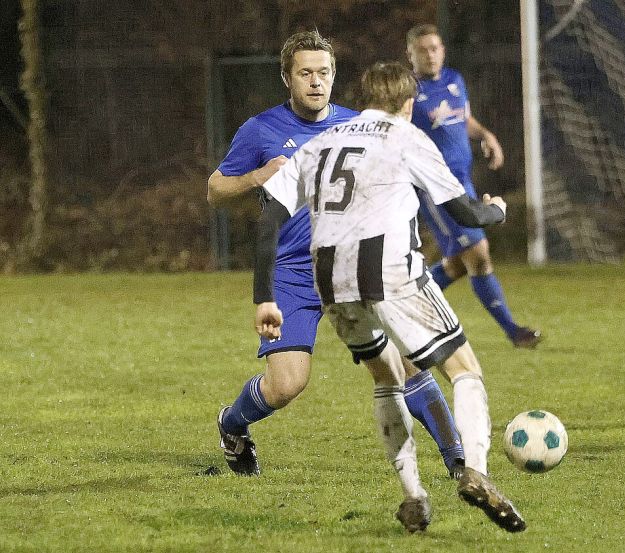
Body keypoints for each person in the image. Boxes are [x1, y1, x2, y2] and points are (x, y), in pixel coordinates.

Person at [255, 61, 527, 534]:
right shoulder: (405, 136)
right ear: (407, 103)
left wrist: (264, 296)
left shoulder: (320, 143)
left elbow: (267, 217)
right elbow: (464, 212)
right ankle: (476, 472)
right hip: (388, 269)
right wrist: (497, 212)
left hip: (330, 278)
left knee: (387, 376)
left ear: (364, 97)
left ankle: (414, 496)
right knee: (463, 369)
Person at [207, 30, 464, 479]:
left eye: (323, 72)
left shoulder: (355, 125)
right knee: (287, 384)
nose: (316, 82)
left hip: (352, 264)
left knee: (405, 362)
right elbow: (215, 190)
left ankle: (460, 463)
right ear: (287, 78)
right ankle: (232, 424)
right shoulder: (260, 129)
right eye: (305, 73)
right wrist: (257, 176)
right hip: (292, 272)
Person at [405, 24, 541, 348]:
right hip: (434, 189)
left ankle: (405, 304)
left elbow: (462, 119)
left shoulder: (454, 79)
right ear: (410, 55)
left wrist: (486, 135)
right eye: (422, 50)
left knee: (457, 264)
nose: (430, 55)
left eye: (435, 48)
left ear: (442, 50)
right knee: (478, 254)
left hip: (463, 181)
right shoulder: (407, 91)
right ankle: (514, 331)